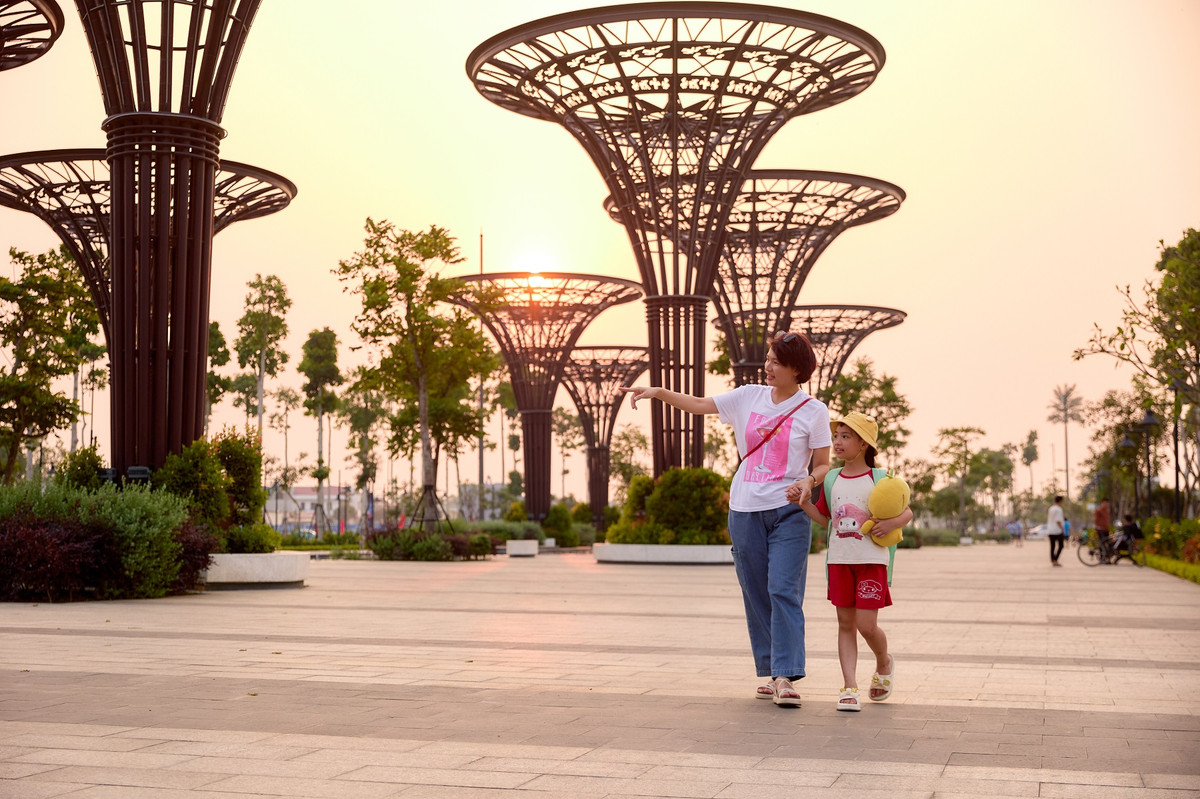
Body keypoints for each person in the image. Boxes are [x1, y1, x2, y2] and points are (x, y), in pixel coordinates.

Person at [620, 331, 831, 708]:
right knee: (755, 592)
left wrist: (809, 480)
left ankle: (785, 675)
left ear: (796, 368)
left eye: (776, 362)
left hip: (789, 510)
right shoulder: (748, 396)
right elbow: (700, 403)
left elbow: (824, 462)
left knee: (784, 589)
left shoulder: (814, 410)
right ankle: (769, 669)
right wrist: (659, 393)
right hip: (745, 509)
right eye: (767, 359)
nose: (767, 366)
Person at [800, 412, 911, 711]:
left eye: (846, 436)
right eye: (836, 436)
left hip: (872, 561)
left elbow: (907, 513)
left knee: (867, 625)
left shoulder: (881, 478)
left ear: (863, 443)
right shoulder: (832, 478)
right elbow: (827, 520)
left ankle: (883, 663)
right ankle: (849, 687)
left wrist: (891, 524)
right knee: (845, 623)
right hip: (839, 561)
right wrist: (803, 504)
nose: (837, 442)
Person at [1047, 495, 1066, 566]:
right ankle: (1055, 559)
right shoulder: (1058, 509)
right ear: (1060, 501)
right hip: (1057, 530)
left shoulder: (1051, 508)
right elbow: (1058, 521)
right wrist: (1062, 529)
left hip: (1050, 530)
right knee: (1061, 545)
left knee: (1052, 546)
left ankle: (1053, 560)